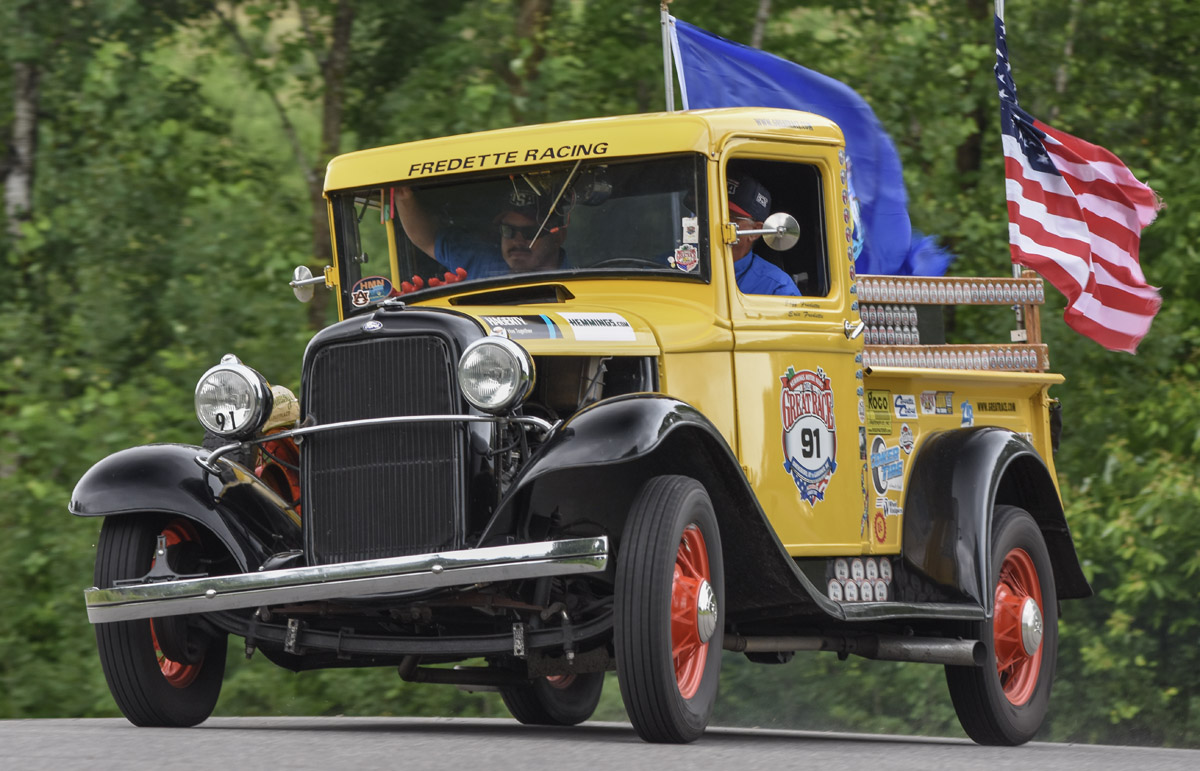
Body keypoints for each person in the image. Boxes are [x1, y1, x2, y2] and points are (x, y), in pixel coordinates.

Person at [394, 186, 567, 280]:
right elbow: (428, 240)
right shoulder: (481, 263)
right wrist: (403, 197)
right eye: (508, 230)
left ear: (559, 236)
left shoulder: (580, 274)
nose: (517, 240)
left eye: (531, 232)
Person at [727, 174, 801, 296]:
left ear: (755, 231)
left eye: (730, 217)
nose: (715, 222)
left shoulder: (778, 288)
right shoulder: (693, 268)